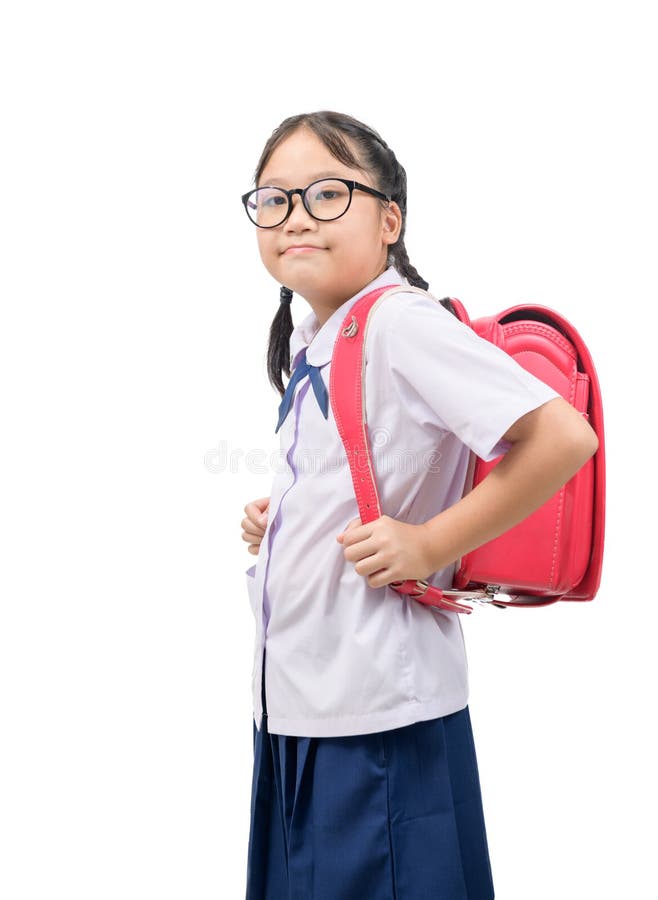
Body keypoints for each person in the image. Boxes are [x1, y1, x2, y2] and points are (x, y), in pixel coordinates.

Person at [238, 110, 598, 900]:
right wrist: (289, 512)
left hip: (375, 721)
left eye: (328, 193)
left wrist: (431, 542)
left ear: (389, 219)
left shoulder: (398, 323)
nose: (296, 214)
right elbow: (379, 463)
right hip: (308, 706)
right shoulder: (320, 336)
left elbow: (562, 438)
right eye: (274, 199)